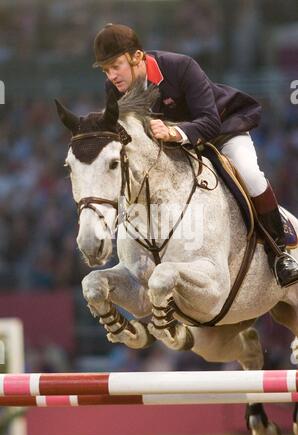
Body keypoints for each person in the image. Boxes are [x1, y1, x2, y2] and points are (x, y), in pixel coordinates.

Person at [92, 23, 298, 288]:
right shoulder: (114, 90)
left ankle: (279, 253)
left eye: (116, 66)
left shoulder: (180, 66)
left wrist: (174, 131)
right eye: (106, 70)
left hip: (222, 131)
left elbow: (210, 122)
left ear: (137, 57)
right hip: (176, 149)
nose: (112, 76)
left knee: (249, 173)